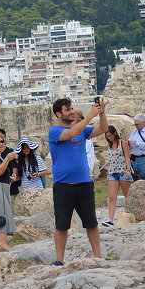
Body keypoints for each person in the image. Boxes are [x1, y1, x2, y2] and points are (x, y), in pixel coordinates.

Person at [47, 97, 108, 266]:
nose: (72, 111)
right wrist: (89, 115)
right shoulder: (54, 131)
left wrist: (102, 113)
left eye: (72, 108)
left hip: (84, 183)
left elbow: (103, 129)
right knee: (62, 225)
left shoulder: (82, 130)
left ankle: (98, 255)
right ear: (59, 114)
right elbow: (71, 133)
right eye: (68, 109)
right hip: (63, 185)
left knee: (91, 222)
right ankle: (59, 259)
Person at [101, 124, 133, 227]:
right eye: (107, 136)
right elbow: (109, 160)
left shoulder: (123, 143)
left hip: (123, 172)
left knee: (127, 196)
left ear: (114, 133)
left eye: (110, 135)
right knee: (111, 197)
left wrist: (128, 170)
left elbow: (127, 157)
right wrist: (107, 173)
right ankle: (110, 219)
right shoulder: (109, 146)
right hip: (112, 173)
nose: (109, 138)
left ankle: (129, 216)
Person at [127, 114, 145, 181]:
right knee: (134, 179)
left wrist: (137, 143)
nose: (136, 126)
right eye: (135, 124)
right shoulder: (135, 131)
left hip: (144, 159)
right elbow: (129, 141)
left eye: (137, 124)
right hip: (134, 159)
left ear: (143, 123)